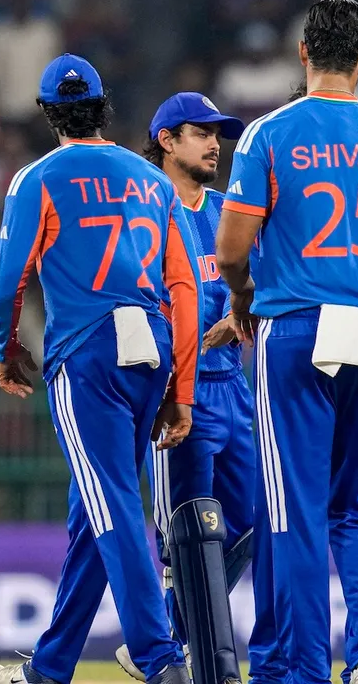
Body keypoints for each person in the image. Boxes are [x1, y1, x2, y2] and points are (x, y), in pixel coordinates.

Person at [215, 0, 358, 684]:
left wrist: (245, 298)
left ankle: (301, 669)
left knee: (293, 508)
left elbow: (230, 248)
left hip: (295, 327)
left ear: (302, 54)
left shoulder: (268, 135)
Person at [0, 54, 200, 684]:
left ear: (48, 113)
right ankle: (49, 669)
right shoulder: (153, 180)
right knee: (94, 511)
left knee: (112, 506)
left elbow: (6, 284)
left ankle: (160, 658)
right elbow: (183, 287)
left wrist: (5, 347)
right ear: (104, 108)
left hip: (86, 350)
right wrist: (181, 387)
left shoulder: (37, 179)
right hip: (150, 347)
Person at [112, 91, 252, 680]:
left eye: (218, 134)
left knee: (256, 522)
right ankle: (180, 642)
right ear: (166, 140)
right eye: (201, 133)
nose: (215, 143)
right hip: (179, 394)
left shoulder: (231, 212)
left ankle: (172, 629)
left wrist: (245, 315)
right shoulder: (138, 209)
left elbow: (261, 282)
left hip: (238, 393)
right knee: (185, 536)